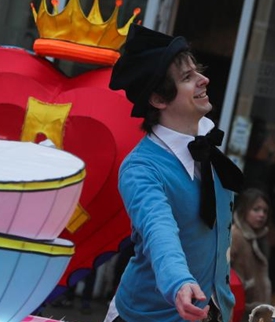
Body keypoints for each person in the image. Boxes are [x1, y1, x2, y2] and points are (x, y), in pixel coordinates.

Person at [104, 24, 243, 322]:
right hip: (146, 316)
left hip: (208, 312)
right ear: (158, 99)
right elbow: (159, 230)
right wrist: (179, 282)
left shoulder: (210, 151)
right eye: (187, 77)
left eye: (198, 71)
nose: (203, 80)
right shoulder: (141, 168)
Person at [230, 188, 272, 318]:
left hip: (252, 313)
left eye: (265, 211)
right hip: (238, 310)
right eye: (256, 209)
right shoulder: (235, 234)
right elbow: (222, 271)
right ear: (244, 210)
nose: (261, 215)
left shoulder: (260, 238)